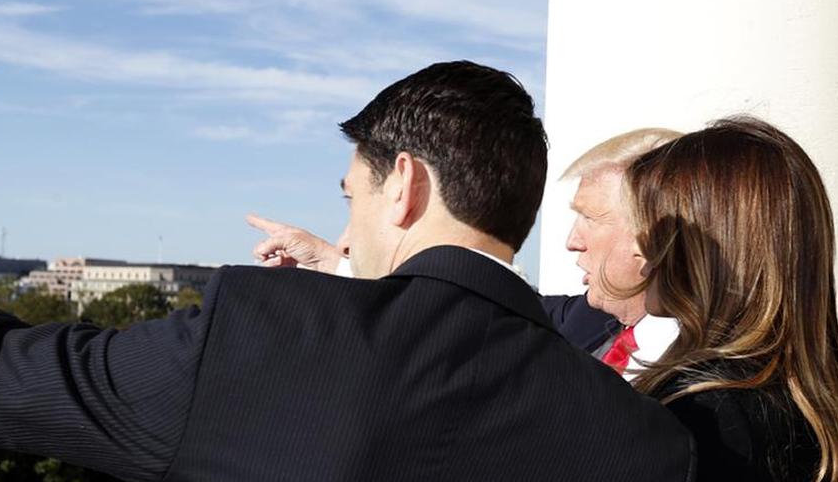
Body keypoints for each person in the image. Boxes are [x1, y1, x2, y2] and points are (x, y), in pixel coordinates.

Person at [0, 61, 699, 482]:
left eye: (350, 193)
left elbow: (3, 373)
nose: (352, 218)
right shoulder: (649, 443)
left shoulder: (265, 338)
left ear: (403, 184)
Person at [249, 128, 682, 378]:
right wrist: (335, 264)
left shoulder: (714, 388)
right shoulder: (589, 321)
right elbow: (475, 307)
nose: (572, 240)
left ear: (652, 231)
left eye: (590, 218)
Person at [626, 116, 838, 482]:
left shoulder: (700, 412)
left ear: (704, 252)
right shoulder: (826, 407)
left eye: (657, 238)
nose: (643, 262)